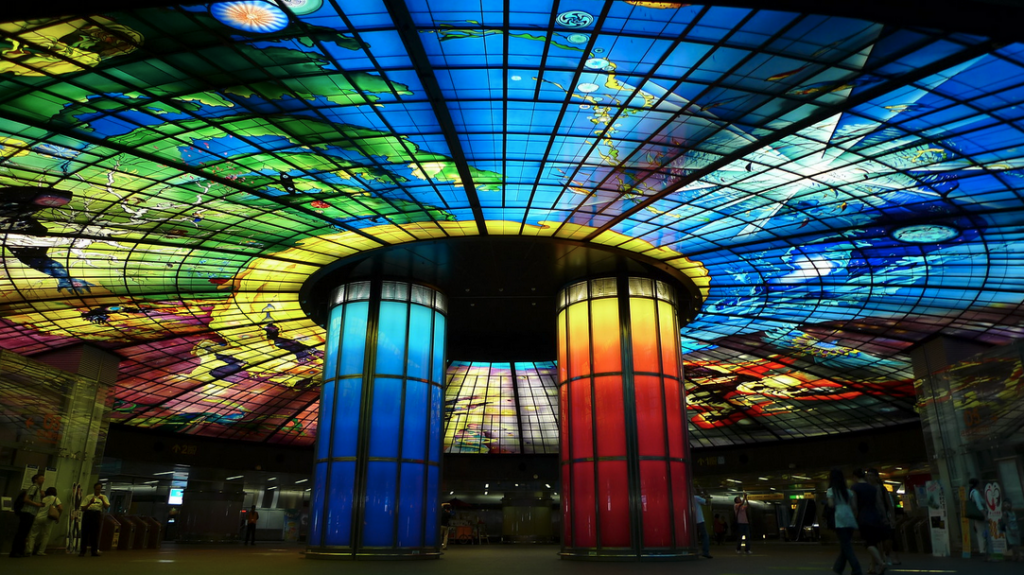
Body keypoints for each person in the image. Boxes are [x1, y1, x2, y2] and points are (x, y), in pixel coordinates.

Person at [827, 468, 863, 575]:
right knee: (845, 544)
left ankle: (857, 569)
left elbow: (831, 505)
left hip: (839, 518)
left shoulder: (831, 491)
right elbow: (854, 506)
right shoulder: (849, 492)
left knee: (846, 546)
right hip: (850, 518)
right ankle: (838, 568)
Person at [851, 469, 886, 574]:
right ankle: (873, 568)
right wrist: (884, 517)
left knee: (868, 543)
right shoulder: (872, 488)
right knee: (873, 542)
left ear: (854, 477)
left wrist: (854, 518)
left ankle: (880, 563)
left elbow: (854, 505)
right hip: (875, 516)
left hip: (864, 517)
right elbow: (879, 504)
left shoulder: (854, 488)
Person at [867, 469, 901, 566]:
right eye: (868, 475)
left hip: (884, 517)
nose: (869, 477)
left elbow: (889, 504)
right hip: (873, 518)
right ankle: (880, 559)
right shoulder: (867, 489)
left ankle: (887, 554)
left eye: (871, 475)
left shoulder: (881, 489)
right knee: (877, 540)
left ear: (876, 477)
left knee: (888, 539)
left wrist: (892, 517)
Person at [9, 473, 46, 558]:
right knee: (22, 532)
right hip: (27, 512)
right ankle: (15, 551)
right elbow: (26, 499)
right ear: (36, 479)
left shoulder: (37, 489)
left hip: (31, 512)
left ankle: (20, 551)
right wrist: (37, 504)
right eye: (41, 478)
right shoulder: (33, 487)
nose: (43, 480)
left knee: (24, 532)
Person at [26, 486, 63, 556]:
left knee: (32, 534)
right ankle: (40, 551)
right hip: (48, 518)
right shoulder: (55, 498)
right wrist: (58, 517)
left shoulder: (43, 498)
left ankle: (29, 550)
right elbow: (61, 508)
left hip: (38, 517)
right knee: (45, 535)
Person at [80, 482, 110, 557]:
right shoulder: (89, 497)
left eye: (99, 489)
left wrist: (102, 500)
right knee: (85, 533)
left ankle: (94, 551)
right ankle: (82, 551)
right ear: (94, 489)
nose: (98, 490)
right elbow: (83, 508)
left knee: (95, 533)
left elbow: (107, 507)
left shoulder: (103, 497)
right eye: (97, 489)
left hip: (97, 514)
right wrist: (90, 503)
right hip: (88, 514)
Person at [967, 478, 991, 562]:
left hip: (976, 517)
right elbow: (979, 504)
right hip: (980, 516)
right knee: (984, 534)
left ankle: (984, 553)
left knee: (980, 533)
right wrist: (985, 515)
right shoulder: (975, 492)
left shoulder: (971, 492)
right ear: (977, 484)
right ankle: (986, 553)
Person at [693, 485, 712, 558]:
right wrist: (703, 495)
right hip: (699, 520)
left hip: (692, 521)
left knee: (695, 537)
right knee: (705, 536)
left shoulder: (687, 498)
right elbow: (707, 502)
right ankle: (705, 551)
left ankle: (694, 550)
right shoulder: (696, 498)